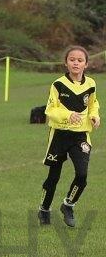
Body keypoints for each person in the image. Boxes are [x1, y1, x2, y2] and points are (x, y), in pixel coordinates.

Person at [38, 45, 100, 227]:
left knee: (82, 175)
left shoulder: (91, 84)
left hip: (80, 136)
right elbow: (50, 110)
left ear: (86, 64)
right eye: (72, 59)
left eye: (80, 60)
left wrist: (94, 116)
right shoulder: (58, 84)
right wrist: (67, 115)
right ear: (66, 63)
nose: (76, 63)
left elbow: (93, 104)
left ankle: (68, 205)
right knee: (53, 177)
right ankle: (44, 209)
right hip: (60, 135)